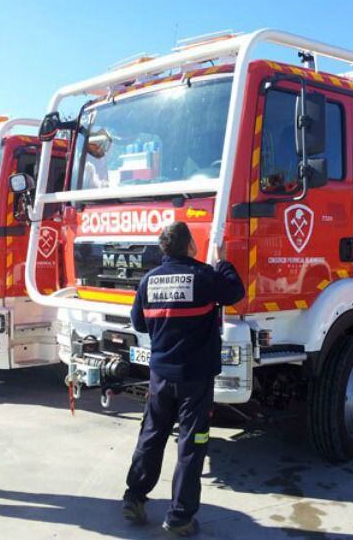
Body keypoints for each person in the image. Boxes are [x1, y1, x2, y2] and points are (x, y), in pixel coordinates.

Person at [123, 222, 245, 536]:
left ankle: (134, 497)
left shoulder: (148, 281)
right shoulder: (204, 276)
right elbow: (235, 292)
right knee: (192, 443)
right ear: (190, 245)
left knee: (152, 435)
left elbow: (138, 322)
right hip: (195, 377)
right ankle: (179, 517)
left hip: (161, 375)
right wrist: (223, 261)